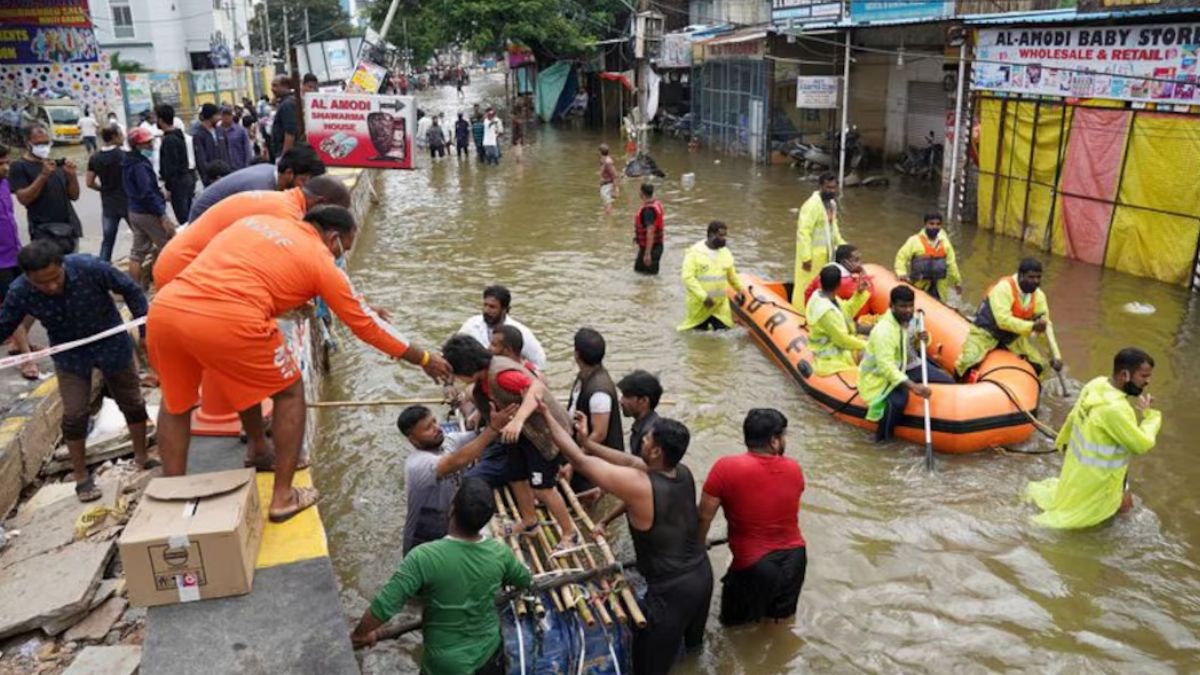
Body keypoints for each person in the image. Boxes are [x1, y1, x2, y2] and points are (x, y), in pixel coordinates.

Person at [148, 205, 452, 522]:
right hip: (231, 319)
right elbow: (365, 325)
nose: (341, 256)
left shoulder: (259, 219)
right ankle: (283, 496)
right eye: (343, 249)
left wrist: (286, 302)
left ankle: (179, 489)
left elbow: (245, 272)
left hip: (168, 308)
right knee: (289, 392)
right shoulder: (320, 260)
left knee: (176, 402)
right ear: (333, 238)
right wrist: (424, 359)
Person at [153, 177, 351, 468]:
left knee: (194, 391)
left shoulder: (280, 207)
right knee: (277, 385)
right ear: (321, 207)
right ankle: (280, 487)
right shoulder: (288, 220)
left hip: (183, 286)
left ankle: (255, 449)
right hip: (197, 280)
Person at [543, 408, 712, 675]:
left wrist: (544, 413)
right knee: (693, 652)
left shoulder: (640, 486)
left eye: (647, 439)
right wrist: (588, 443)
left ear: (656, 452)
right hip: (702, 574)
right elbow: (630, 463)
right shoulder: (681, 472)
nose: (642, 441)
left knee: (648, 666)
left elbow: (577, 460)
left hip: (671, 592)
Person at [0, 241, 156, 501]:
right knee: (74, 414)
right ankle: (82, 477)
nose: (51, 287)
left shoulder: (89, 267)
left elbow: (131, 289)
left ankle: (141, 456)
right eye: (42, 283)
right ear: (28, 277)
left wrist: (144, 332)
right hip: (70, 354)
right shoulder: (20, 292)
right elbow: (5, 325)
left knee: (131, 401)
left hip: (111, 342)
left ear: (62, 265)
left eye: (55, 278)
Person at [350, 477, 532, 673]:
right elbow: (524, 579)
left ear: (451, 509)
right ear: (486, 519)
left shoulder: (423, 557)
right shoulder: (500, 553)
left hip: (444, 665)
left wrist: (360, 635)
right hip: (489, 655)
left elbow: (384, 606)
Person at [441, 333, 579, 545]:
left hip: (542, 434)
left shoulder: (501, 375)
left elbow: (537, 387)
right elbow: (475, 391)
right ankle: (529, 521)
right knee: (515, 475)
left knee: (543, 489)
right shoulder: (484, 376)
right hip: (521, 435)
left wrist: (519, 420)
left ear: (466, 369)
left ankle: (570, 532)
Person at [1024, 348, 1161, 529]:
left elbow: (1073, 416)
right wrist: (1151, 416)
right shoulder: (1116, 409)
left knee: (1124, 506)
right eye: (1144, 376)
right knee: (1104, 517)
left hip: (1081, 470)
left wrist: (1062, 442)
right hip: (1101, 480)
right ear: (1125, 375)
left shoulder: (1096, 384)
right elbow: (1141, 444)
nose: (1147, 381)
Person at [698, 409, 806, 626]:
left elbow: (703, 517)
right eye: (783, 436)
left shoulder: (725, 468)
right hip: (795, 559)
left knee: (733, 631)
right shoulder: (794, 468)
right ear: (774, 441)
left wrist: (699, 544)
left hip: (753, 564)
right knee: (778, 626)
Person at [396, 403, 517, 554]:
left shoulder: (448, 441)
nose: (437, 428)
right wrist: (492, 429)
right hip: (423, 534)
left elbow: (479, 437)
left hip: (450, 522)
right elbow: (455, 462)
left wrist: (497, 422)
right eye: (428, 428)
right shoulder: (417, 464)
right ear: (412, 439)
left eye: (434, 421)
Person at [858, 285, 954, 442]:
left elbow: (914, 346)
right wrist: (913, 386)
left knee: (948, 382)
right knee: (897, 402)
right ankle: (882, 440)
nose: (908, 310)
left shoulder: (912, 320)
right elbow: (886, 367)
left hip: (910, 365)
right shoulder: (885, 331)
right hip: (882, 377)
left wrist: (922, 338)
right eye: (903, 306)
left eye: (910, 305)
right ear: (892, 306)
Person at [955, 258, 1063, 378]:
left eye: (1038, 277)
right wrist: (1032, 326)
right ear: (1021, 275)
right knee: (967, 361)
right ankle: (956, 384)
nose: (1036, 281)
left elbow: (1045, 328)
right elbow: (1003, 321)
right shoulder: (1004, 288)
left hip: (1012, 338)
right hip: (986, 333)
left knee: (1039, 366)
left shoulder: (1039, 296)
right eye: (1031, 277)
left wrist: (1055, 356)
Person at [188, 145, 325, 222]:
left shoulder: (272, 175)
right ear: (289, 173)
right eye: (303, 181)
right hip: (203, 222)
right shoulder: (260, 189)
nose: (304, 188)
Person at [9, 124, 81, 253]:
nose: (44, 147)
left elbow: (74, 196)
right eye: (39, 143)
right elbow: (24, 199)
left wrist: (72, 176)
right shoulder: (19, 166)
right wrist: (43, 176)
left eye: (46, 142)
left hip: (69, 229)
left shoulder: (54, 163)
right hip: (44, 233)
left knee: (71, 269)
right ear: (27, 143)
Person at [0, 144, 38, 380]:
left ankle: (19, 342)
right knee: (10, 305)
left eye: (6, 162)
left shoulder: (5, 184)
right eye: (1, 164)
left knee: (33, 296)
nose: (6, 167)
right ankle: (26, 358)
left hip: (15, 252)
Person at [122, 127, 176, 286]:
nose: (151, 146)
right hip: (148, 212)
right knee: (166, 246)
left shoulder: (128, 161)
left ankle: (136, 287)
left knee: (137, 253)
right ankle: (163, 282)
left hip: (135, 210)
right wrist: (162, 215)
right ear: (138, 146)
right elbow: (146, 192)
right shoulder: (139, 165)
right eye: (147, 143)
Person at [457, 285, 546, 369]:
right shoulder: (472, 324)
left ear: (505, 310)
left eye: (492, 307)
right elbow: (456, 348)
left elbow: (539, 361)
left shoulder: (520, 332)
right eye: (485, 305)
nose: (486, 310)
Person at [792, 173, 845, 307]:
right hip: (811, 256)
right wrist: (806, 258)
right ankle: (800, 311)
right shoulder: (812, 205)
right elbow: (804, 231)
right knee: (806, 285)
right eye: (828, 187)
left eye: (834, 188)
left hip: (826, 255)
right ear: (821, 186)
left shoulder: (832, 204)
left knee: (822, 286)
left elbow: (834, 229)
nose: (831, 191)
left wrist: (844, 247)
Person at [678, 221, 743, 331]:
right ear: (711, 235)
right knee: (697, 337)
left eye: (725, 235)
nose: (724, 239)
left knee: (724, 337)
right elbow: (688, 278)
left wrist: (740, 290)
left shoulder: (726, 253)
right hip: (700, 305)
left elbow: (732, 276)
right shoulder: (694, 253)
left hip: (719, 306)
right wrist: (704, 297)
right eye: (721, 235)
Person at [806, 265, 869, 377]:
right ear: (839, 284)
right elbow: (842, 341)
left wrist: (859, 293)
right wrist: (867, 345)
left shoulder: (824, 297)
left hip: (837, 343)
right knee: (869, 350)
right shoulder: (826, 311)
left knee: (871, 340)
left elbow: (846, 311)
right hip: (831, 354)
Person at [894, 213, 962, 302]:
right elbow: (901, 257)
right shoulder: (914, 241)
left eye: (938, 224)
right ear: (925, 224)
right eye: (931, 224)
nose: (934, 227)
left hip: (940, 288)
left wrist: (957, 282)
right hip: (919, 285)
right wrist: (901, 273)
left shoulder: (945, 244)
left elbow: (952, 265)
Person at [85, 127, 128, 263]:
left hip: (108, 203)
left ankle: (103, 267)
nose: (123, 137)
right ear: (114, 136)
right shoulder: (124, 155)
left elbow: (89, 182)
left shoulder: (95, 158)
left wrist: (103, 189)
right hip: (127, 202)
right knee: (140, 237)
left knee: (108, 240)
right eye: (121, 135)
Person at [800, 243, 873, 318]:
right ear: (845, 262)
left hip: (817, 315)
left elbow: (807, 292)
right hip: (838, 318)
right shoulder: (847, 282)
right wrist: (863, 274)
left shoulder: (824, 273)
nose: (860, 263)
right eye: (856, 260)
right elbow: (868, 292)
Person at [155, 105, 195, 225]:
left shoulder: (169, 140)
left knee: (184, 219)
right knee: (188, 216)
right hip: (186, 179)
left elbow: (171, 166)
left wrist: (168, 187)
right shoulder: (178, 136)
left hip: (178, 184)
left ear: (161, 120)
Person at [618, 369, 662, 457]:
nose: (621, 401)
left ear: (644, 401)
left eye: (627, 396)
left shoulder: (648, 435)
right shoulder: (649, 424)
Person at [192, 103, 226, 187]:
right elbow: (201, 160)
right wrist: (208, 178)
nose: (219, 118)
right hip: (211, 179)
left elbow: (226, 152)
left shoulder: (220, 131)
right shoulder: (198, 135)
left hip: (225, 175)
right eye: (217, 115)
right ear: (210, 116)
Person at [634, 183, 664, 274]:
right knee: (638, 271)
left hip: (652, 248)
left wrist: (647, 254)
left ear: (642, 193)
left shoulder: (648, 210)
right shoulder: (656, 203)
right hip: (654, 246)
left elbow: (650, 232)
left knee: (649, 277)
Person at [269, 75, 301, 161]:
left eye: (275, 85)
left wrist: (285, 157)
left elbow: (290, 132)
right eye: (272, 86)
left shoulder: (287, 104)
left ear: (285, 86)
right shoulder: (287, 102)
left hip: (285, 155)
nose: (272, 89)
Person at [220, 106, 252, 171]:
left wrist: (247, 166)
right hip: (224, 169)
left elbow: (247, 149)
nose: (226, 117)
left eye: (228, 115)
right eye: (224, 115)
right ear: (221, 116)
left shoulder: (241, 130)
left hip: (240, 167)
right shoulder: (218, 131)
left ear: (232, 116)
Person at [598, 144, 618, 215]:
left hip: (609, 186)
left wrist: (614, 190)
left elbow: (615, 176)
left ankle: (609, 223)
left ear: (600, 152)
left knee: (608, 205)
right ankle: (607, 223)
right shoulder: (603, 161)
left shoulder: (608, 162)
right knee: (606, 205)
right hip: (605, 185)